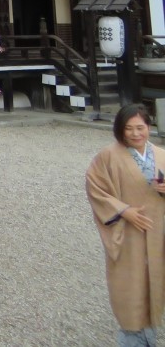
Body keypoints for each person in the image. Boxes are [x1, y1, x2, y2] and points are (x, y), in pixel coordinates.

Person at [87, 102, 165, 347]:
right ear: (120, 129)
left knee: (158, 282)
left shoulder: (162, 154)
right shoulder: (108, 156)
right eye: (129, 128)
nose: (135, 133)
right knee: (130, 287)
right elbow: (95, 188)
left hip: (160, 230)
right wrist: (124, 210)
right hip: (128, 232)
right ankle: (133, 339)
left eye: (140, 127)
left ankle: (150, 335)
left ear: (149, 126)